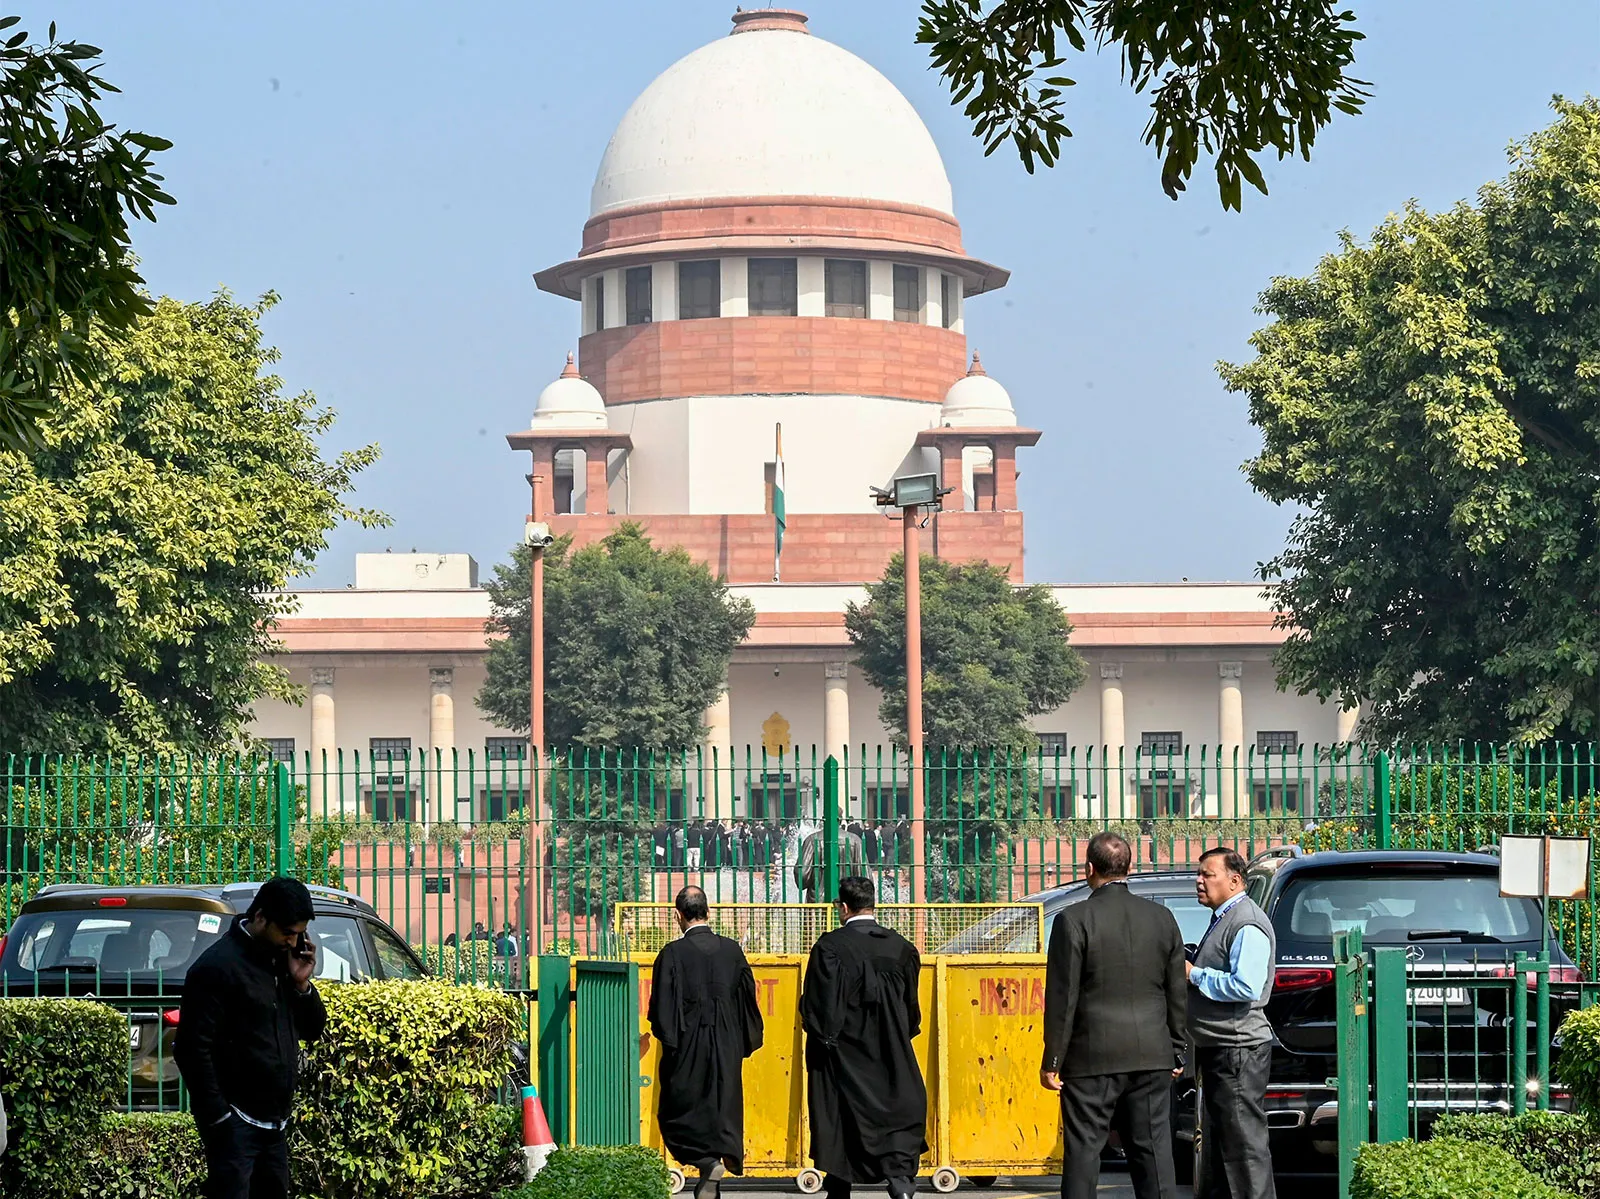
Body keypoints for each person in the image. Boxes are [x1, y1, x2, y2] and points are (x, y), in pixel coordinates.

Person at [1041, 832, 1186, 1199]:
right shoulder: (1162, 918)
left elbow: (1063, 996)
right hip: (1152, 1054)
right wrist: (1177, 1048)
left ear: (1089, 869)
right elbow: (1175, 990)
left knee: (1084, 1153)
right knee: (1154, 1155)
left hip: (1091, 1057)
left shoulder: (1073, 920)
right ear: (1129, 868)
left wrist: (1053, 1059)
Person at [175, 877, 327, 1199]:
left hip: (275, 1124)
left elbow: (313, 1030)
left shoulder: (284, 962)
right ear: (260, 917)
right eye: (287, 932)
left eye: (299, 933)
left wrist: (302, 985)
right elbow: (191, 1050)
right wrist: (220, 1119)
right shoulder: (216, 967)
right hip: (235, 1127)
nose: (293, 941)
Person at [801, 875, 925, 1199]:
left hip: (846, 1059)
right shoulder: (902, 948)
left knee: (841, 1116)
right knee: (894, 1116)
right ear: (872, 905)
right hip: (891, 1056)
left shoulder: (830, 948)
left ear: (843, 908)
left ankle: (839, 1186)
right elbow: (911, 1013)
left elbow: (818, 1010)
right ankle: (900, 1183)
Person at [647, 885, 765, 1199]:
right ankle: (713, 1170)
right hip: (726, 1044)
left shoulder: (672, 954)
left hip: (687, 1045)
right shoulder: (732, 951)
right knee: (720, 1110)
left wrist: (672, 1043)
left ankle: (705, 1162)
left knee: (677, 1115)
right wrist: (740, 1042)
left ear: (678, 916)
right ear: (708, 912)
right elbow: (747, 1001)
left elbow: (661, 1008)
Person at [1187, 847, 1277, 1199]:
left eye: (1208, 875)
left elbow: (1246, 986)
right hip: (1222, 1046)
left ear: (1235, 880)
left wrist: (1195, 975)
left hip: (1238, 1049)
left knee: (1244, 1145)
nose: (1199, 881)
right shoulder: (1225, 917)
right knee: (1229, 1142)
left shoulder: (1246, 922)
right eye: (1199, 874)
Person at [793, 823, 867, 903]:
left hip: (818, 901)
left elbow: (802, 874)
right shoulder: (855, 841)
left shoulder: (812, 840)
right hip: (847, 901)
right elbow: (865, 875)